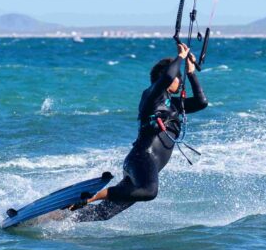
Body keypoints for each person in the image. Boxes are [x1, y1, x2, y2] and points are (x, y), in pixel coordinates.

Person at [75, 42, 207, 222]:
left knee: (104, 214)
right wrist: (181, 57)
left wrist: (190, 71)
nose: (180, 81)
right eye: (179, 78)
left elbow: (201, 102)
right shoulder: (151, 96)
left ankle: (57, 216)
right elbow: (168, 77)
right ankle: (89, 196)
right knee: (150, 191)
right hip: (141, 158)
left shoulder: (174, 105)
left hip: (143, 166)